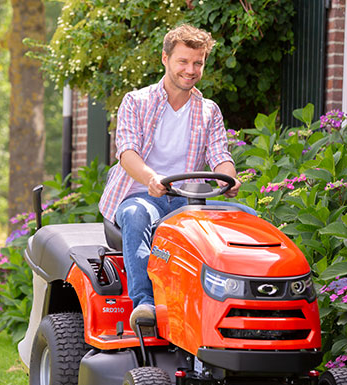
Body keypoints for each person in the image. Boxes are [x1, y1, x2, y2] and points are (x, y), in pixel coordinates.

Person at [98, 23, 254, 330]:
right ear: (165, 59)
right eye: (183, 61)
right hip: (141, 194)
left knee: (247, 218)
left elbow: (221, 157)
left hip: (188, 201)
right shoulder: (136, 102)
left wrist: (229, 178)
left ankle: (242, 306)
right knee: (136, 215)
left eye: (198, 63)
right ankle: (145, 304)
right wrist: (151, 178)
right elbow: (127, 153)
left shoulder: (208, 110)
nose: (190, 69)